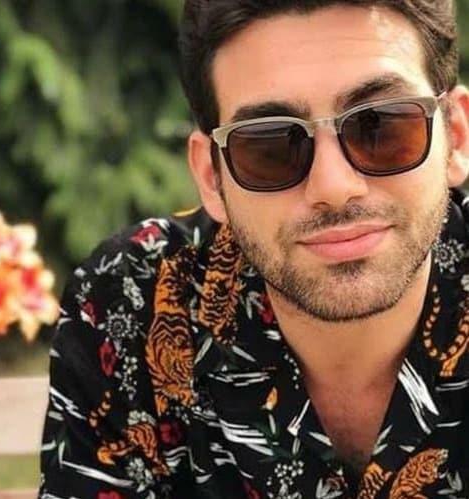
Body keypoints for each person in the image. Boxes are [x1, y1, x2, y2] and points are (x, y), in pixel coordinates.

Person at [39, 1, 469, 497]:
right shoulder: (127, 304)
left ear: (456, 137)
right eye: (270, 147)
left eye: (381, 126)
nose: (333, 187)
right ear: (211, 177)